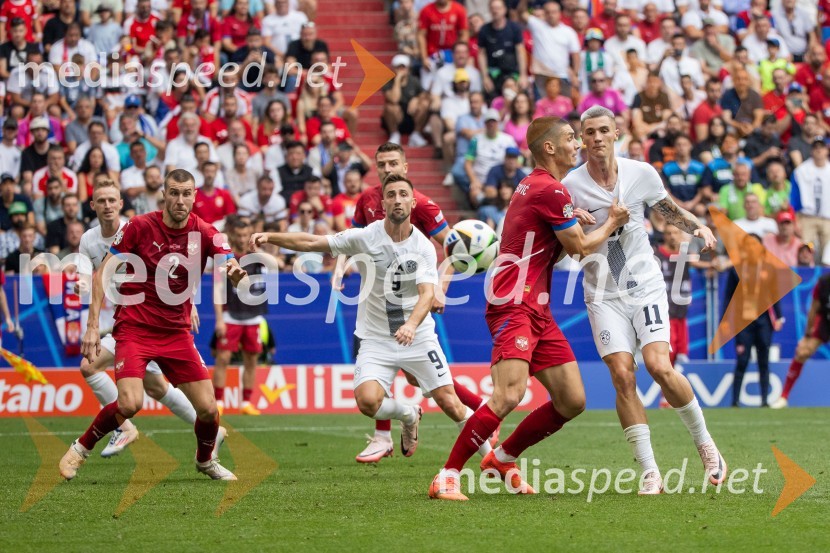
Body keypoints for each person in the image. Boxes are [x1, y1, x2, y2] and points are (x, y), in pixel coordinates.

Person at [429, 116, 630, 501]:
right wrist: (612, 222)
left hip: (535, 306)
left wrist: (572, 225)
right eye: (572, 138)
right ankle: (448, 475)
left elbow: (547, 250)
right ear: (549, 148)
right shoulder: (549, 190)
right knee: (507, 395)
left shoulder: (535, 186)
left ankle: (503, 458)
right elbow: (580, 249)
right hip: (513, 305)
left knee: (572, 400)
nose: (579, 144)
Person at [253, 173, 487, 465]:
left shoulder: (424, 246)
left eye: (403, 194)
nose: (398, 200)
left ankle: (494, 460)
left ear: (413, 202)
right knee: (367, 401)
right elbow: (313, 241)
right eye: (391, 195)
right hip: (376, 338)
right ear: (383, 202)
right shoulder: (366, 237)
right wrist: (270, 237)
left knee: (451, 404)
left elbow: (428, 293)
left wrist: (411, 325)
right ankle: (408, 413)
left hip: (419, 336)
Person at [563, 106, 725, 494]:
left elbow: (668, 210)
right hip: (602, 294)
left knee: (658, 366)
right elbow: (574, 252)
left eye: (604, 130)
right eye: (589, 132)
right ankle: (651, 471)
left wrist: (697, 225)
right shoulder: (569, 186)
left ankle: (705, 443)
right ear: (582, 139)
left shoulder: (641, 173)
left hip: (644, 286)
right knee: (622, 375)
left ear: (617, 133)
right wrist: (591, 223)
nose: (597, 138)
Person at [59, 169, 248, 481]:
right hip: (135, 327)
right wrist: (92, 325)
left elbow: (229, 259)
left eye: (186, 193)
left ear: (195, 196)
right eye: (174, 192)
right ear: (164, 193)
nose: (180, 199)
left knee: (210, 411)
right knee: (130, 403)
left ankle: (204, 461)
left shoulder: (206, 232)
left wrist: (235, 272)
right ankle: (80, 449)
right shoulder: (139, 226)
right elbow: (102, 273)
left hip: (176, 333)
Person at [347, 142, 489, 463]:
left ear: (406, 167)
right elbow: (354, 241)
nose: (387, 170)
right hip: (380, 295)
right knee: (401, 372)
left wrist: (441, 286)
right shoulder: (368, 200)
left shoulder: (420, 204)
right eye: (381, 164)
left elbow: (455, 246)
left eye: (393, 163)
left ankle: (479, 411)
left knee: (426, 379)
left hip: (415, 297)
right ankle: (386, 434)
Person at [213, 217, 268, 415]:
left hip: (254, 316)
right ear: (233, 236)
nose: (243, 239)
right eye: (239, 235)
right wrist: (219, 318)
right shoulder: (225, 259)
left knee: (252, 360)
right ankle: (218, 401)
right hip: (231, 316)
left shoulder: (257, 258)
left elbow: (277, 262)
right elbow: (218, 289)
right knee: (223, 358)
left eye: (246, 235)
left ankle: (246, 403)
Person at [724, 234, 783, 407]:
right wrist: (726, 321)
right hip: (743, 322)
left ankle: (765, 400)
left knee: (763, 361)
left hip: (764, 321)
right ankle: (734, 401)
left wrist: (779, 317)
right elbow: (728, 297)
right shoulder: (736, 269)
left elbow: (775, 295)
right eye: (748, 245)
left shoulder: (769, 268)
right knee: (742, 360)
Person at [773, 272, 830, 408]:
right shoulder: (823, 282)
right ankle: (784, 397)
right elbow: (814, 308)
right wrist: (807, 335)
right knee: (803, 352)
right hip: (825, 320)